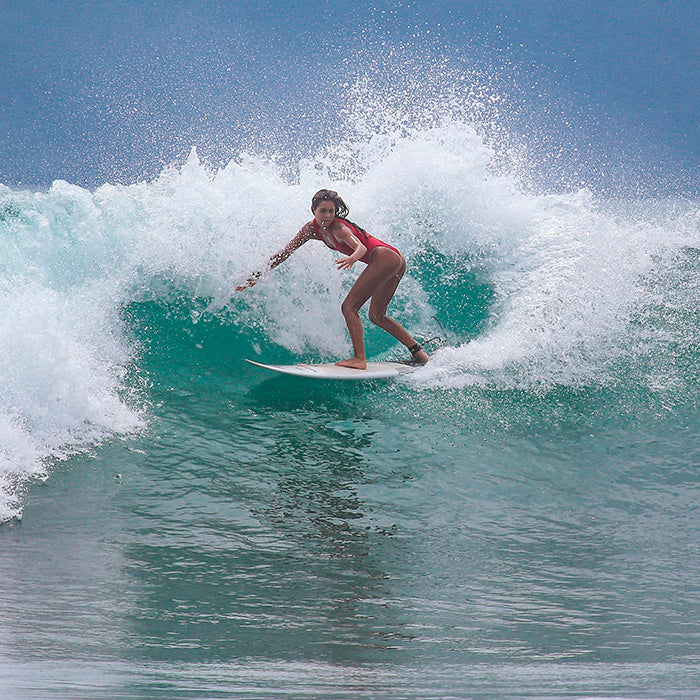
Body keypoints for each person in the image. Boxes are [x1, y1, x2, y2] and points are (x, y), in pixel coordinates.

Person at [236, 189, 430, 369]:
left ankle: (359, 359)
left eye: (331, 211)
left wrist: (352, 258)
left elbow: (360, 248)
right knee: (377, 316)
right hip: (393, 259)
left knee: (349, 307)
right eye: (323, 211)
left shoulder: (338, 228)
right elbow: (285, 252)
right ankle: (419, 354)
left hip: (385, 257)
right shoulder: (310, 230)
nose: (328, 216)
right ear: (313, 210)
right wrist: (257, 276)